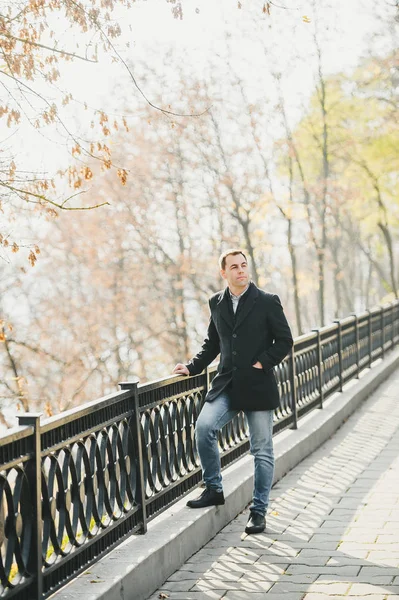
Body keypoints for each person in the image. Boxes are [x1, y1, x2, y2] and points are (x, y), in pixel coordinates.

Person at [173, 249, 293, 534]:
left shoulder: (266, 301)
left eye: (244, 265)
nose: (241, 271)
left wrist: (262, 362)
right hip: (227, 383)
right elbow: (213, 342)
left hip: (257, 384)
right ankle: (213, 488)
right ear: (224, 273)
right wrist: (192, 367)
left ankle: (259, 511)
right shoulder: (217, 302)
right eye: (234, 267)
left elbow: (284, 340)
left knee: (261, 450)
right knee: (204, 427)